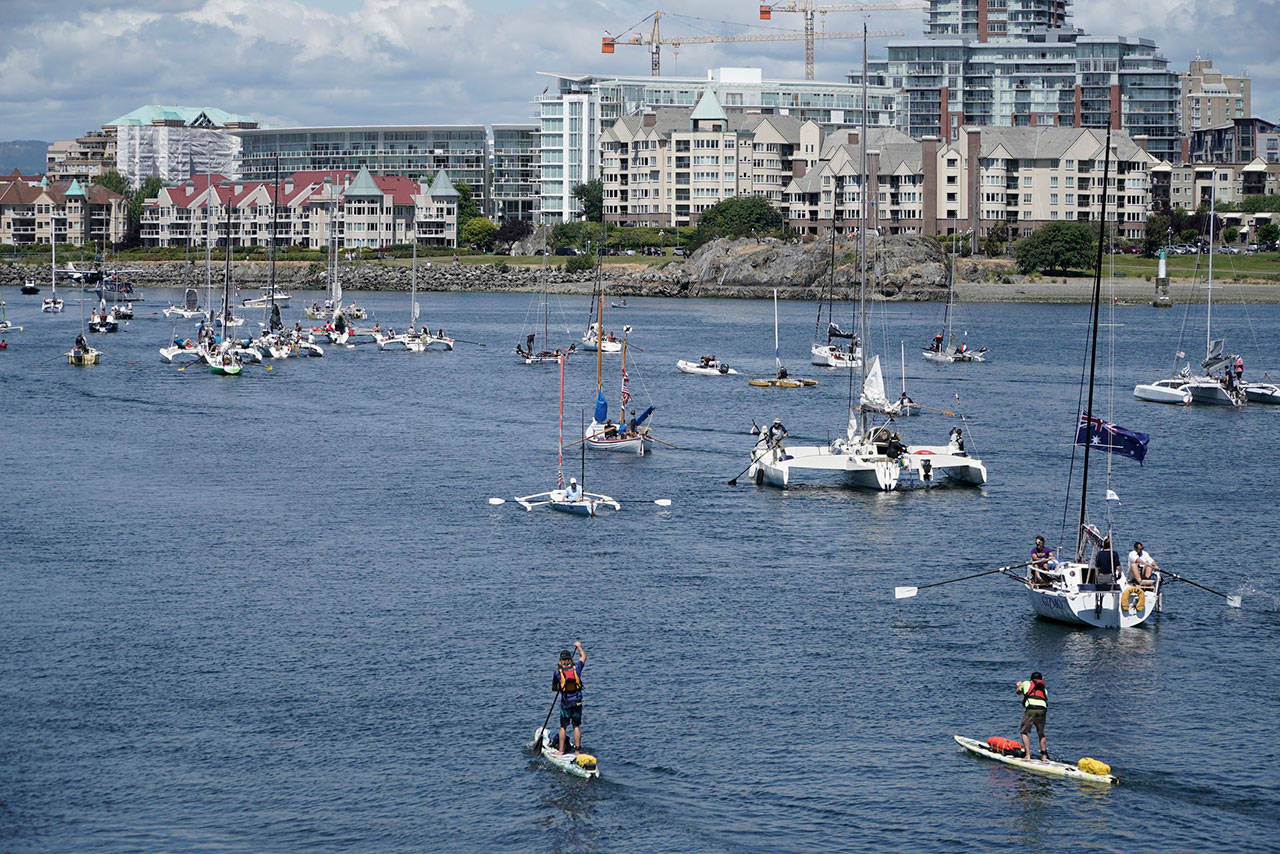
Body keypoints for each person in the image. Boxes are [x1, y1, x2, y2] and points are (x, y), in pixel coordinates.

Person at [552, 642, 587, 754]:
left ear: (560, 661)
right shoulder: (577, 668)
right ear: (570, 660)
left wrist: (560, 688)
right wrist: (579, 647)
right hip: (577, 702)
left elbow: (554, 688)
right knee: (576, 726)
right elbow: (584, 656)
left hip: (566, 703)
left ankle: (561, 751)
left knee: (563, 727)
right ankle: (577, 751)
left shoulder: (558, 673)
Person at [1016, 672, 1048, 761]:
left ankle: (1027, 756)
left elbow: (1018, 692)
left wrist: (1019, 685)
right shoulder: (1044, 689)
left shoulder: (1026, 683)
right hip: (1042, 710)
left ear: (1031, 679)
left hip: (1031, 709)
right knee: (1041, 733)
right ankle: (1044, 757)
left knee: (1023, 732)